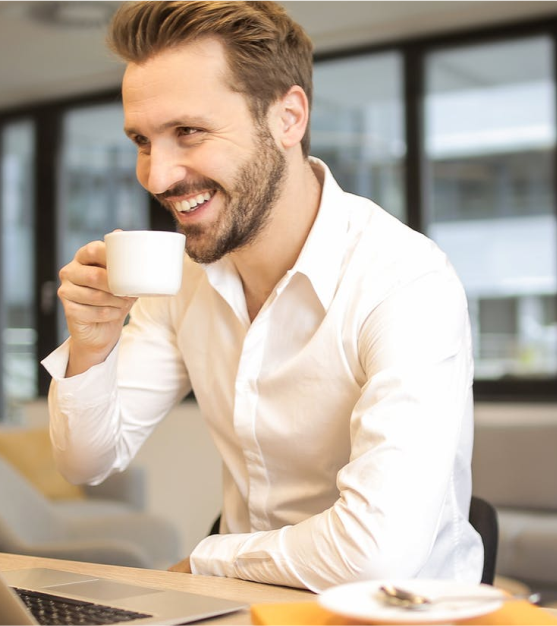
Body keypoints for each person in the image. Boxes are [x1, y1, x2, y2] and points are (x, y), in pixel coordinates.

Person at [41, 0, 482, 591]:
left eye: (188, 132)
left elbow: (377, 553)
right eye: (143, 141)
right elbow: (88, 461)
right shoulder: (187, 277)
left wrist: (206, 560)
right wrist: (92, 347)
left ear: (288, 118)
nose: (157, 176)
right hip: (245, 607)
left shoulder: (405, 281)